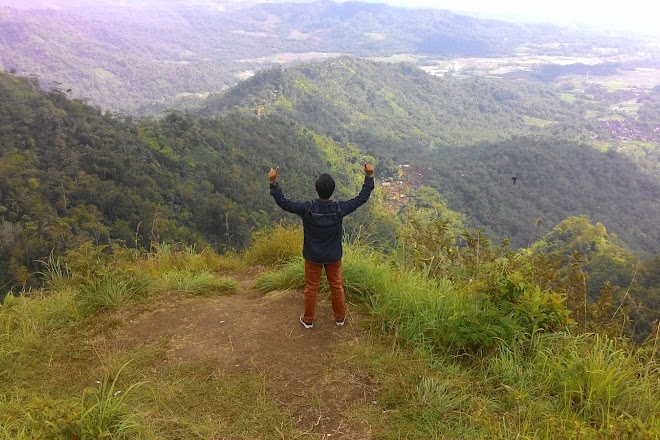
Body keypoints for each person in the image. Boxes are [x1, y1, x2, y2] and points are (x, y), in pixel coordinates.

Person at [269, 164, 375, 328]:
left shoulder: (307, 209)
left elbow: (284, 203)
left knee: (311, 288)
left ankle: (308, 320)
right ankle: (340, 318)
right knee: (336, 286)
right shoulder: (339, 209)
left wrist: (273, 182)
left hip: (313, 256)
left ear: (315, 189)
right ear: (333, 190)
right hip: (333, 255)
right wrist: (369, 176)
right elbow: (361, 198)